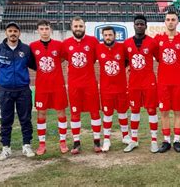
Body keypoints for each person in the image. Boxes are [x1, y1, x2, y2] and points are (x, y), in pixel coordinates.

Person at [0, 22, 36, 161]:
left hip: (23, 91)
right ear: (6, 33)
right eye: (10, 31)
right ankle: (6, 148)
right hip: (5, 91)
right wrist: (4, 78)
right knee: (5, 120)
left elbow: (33, 65)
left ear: (19, 33)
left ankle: (26, 146)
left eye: (15, 31)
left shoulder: (26, 50)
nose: (13, 33)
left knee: (26, 120)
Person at [62, 16, 102, 154]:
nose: (78, 29)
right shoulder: (66, 43)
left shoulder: (93, 41)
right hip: (74, 84)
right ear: (71, 27)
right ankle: (76, 142)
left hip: (90, 83)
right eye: (75, 26)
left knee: (95, 112)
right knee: (75, 113)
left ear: (84, 27)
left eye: (80, 26)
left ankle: (97, 141)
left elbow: (97, 57)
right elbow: (63, 58)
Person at [30, 20, 69, 156]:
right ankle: (42, 144)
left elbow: (63, 58)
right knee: (41, 113)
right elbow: (31, 63)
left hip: (58, 85)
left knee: (61, 112)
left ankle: (63, 142)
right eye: (42, 29)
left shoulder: (59, 45)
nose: (44, 31)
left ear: (51, 30)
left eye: (46, 28)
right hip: (41, 87)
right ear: (38, 30)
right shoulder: (32, 46)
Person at [155, 11, 180, 153]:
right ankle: (166, 140)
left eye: (173, 19)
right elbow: (156, 57)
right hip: (163, 82)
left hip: (178, 82)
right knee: (164, 112)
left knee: (178, 112)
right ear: (165, 21)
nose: (170, 22)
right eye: (168, 19)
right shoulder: (157, 39)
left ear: (177, 22)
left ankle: (176, 140)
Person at [123, 15, 159, 153]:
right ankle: (134, 140)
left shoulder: (152, 42)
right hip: (133, 82)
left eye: (142, 24)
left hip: (149, 81)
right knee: (134, 110)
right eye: (137, 24)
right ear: (133, 25)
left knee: (151, 110)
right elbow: (125, 61)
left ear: (146, 26)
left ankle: (154, 141)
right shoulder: (126, 43)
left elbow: (159, 58)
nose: (139, 26)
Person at [96, 26, 131, 152]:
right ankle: (106, 139)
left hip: (121, 87)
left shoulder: (122, 47)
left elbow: (127, 61)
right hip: (106, 89)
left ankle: (125, 136)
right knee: (107, 114)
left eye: (110, 35)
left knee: (122, 112)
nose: (108, 37)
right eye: (105, 35)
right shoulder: (98, 48)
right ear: (102, 36)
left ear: (115, 36)